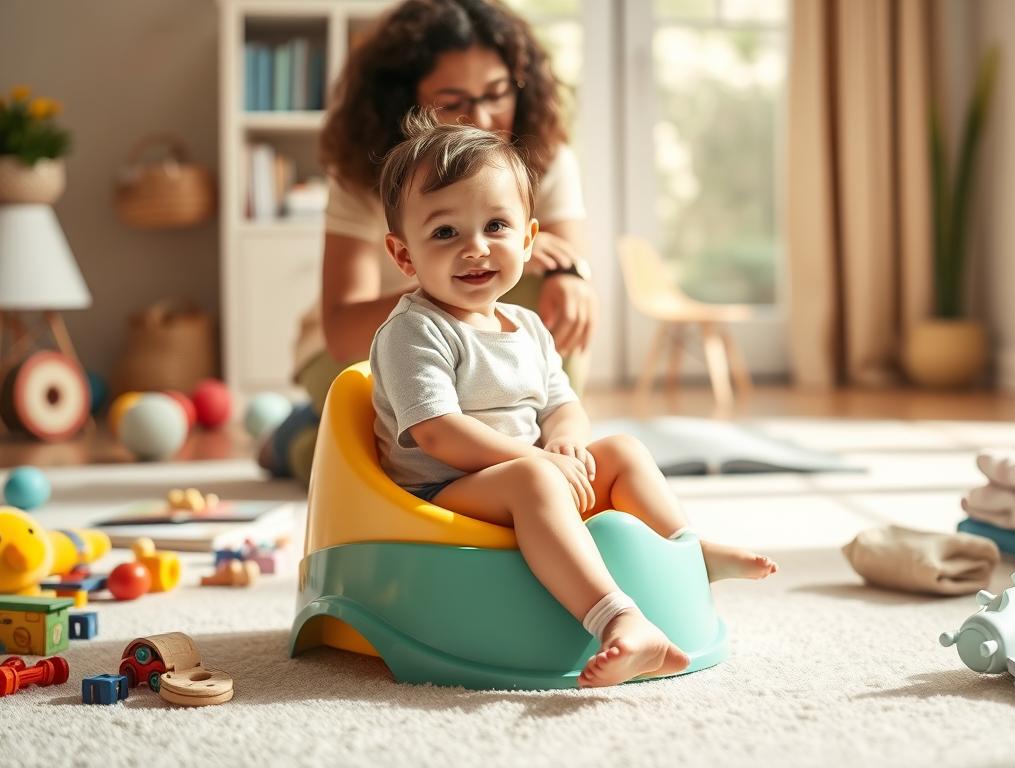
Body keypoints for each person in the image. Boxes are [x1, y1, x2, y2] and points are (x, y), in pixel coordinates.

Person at [370, 117, 776, 688]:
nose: (476, 248)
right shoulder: (415, 331)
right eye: (444, 234)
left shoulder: (528, 326)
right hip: (438, 492)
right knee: (534, 483)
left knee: (624, 451)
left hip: (521, 475)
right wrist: (537, 461)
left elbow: (563, 403)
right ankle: (621, 622)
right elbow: (438, 433)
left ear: (530, 239)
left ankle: (684, 553)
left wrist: (562, 438)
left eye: (496, 225)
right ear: (404, 254)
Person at [262, 0, 593, 480]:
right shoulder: (362, 175)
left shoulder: (546, 156)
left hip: (477, 344)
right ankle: (298, 438)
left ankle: (552, 452)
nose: (479, 117)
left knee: (560, 289)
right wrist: (437, 286)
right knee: (354, 462)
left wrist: (570, 275)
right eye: (453, 102)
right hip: (356, 350)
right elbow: (341, 331)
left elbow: (569, 264)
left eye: (497, 93)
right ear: (407, 101)